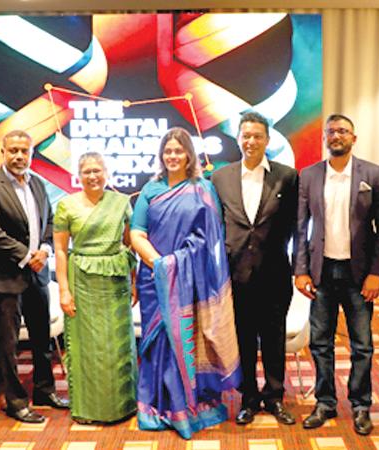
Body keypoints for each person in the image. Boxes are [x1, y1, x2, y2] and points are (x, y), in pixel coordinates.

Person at [130, 127, 241, 439]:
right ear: (161, 155)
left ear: (189, 154)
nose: (173, 156)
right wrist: (162, 265)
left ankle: (194, 404)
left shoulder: (203, 189)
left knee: (191, 338)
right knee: (160, 342)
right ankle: (158, 406)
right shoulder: (150, 190)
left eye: (178, 151)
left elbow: (212, 239)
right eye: (168, 151)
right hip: (157, 279)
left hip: (194, 281)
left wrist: (180, 264)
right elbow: (137, 234)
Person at [294, 114, 379, 435]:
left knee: (361, 344)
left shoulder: (373, 175)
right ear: (325, 137)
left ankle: (361, 404)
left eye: (343, 131)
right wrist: (301, 270)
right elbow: (299, 227)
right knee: (320, 343)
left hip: (359, 273)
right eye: (331, 131)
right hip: (321, 272)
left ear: (354, 137)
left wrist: (377, 273)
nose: (336, 136)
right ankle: (325, 402)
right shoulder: (309, 175)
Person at [0, 130, 69, 423]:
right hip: (4, 279)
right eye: (13, 150)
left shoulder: (37, 184)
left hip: (37, 277)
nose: (18, 156)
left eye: (24, 151)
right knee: (7, 344)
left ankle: (44, 390)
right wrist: (28, 256)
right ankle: (15, 401)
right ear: (2, 152)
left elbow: (49, 222)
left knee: (42, 339)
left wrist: (44, 249)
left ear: (31, 153)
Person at [210, 111, 298, 426]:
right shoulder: (220, 178)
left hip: (274, 273)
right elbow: (215, 228)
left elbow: (296, 226)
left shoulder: (286, 177)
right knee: (244, 340)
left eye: (257, 136)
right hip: (235, 276)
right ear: (238, 139)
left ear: (267, 140)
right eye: (246, 136)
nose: (251, 141)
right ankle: (248, 398)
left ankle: (274, 397)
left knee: (274, 339)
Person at [53, 152, 138, 424]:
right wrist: (64, 290)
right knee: (87, 347)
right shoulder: (66, 206)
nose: (92, 176)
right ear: (79, 176)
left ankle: (123, 406)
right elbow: (60, 250)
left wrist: (134, 281)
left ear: (106, 173)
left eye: (97, 170)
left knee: (118, 345)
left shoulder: (121, 202)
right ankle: (90, 409)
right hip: (83, 283)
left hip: (116, 281)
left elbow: (129, 243)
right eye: (87, 171)